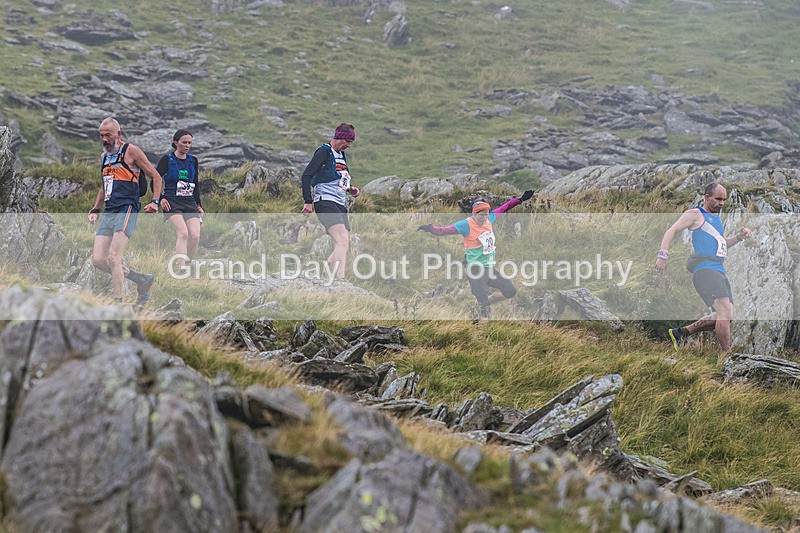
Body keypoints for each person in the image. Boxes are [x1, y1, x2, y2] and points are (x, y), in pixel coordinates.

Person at [655, 182, 752, 354]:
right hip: (705, 270)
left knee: (727, 316)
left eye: (724, 200)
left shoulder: (716, 219)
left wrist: (738, 237)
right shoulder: (695, 214)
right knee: (724, 311)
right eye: (718, 199)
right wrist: (662, 256)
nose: (722, 203)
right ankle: (727, 355)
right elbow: (671, 231)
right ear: (707, 197)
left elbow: (721, 245)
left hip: (719, 270)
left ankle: (682, 332)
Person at [418, 190, 534, 321]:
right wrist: (430, 228)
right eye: (481, 215)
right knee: (485, 310)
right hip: (475, 271)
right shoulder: (466, 225)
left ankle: (486, 302)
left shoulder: (490, 218)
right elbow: (444, 231)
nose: (484, 217)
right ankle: (481, 325)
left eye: (486, 214)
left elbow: (504, 207)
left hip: (489, 269)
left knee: (510, 291)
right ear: (474, 213)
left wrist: (520, 199)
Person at [88, 117, 163, 306]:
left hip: (127, 207)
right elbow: (104, 186)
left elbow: (156, 176)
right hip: (109, 210)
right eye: (101, 136)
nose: (104, 139)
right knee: (98, 260)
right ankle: (142, 280)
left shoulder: (131, 151)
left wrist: (155, 201)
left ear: (118, 134)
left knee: (113, 257)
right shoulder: (105, 157)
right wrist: (96, 208)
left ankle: (118, 304)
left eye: (108, 135)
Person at [301, 123, 360, 280]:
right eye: (346, 141)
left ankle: (328, 270)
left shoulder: (341, 154)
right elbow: (306, 175)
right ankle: (339, 277)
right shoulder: (324, 152)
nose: (348, 145)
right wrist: (308, 201)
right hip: (325, 201)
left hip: (340, 202)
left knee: (344, 242)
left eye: (350, 142)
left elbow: (336, 177)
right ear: (338, 137)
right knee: (341, 241)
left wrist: (350, 189)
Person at [156, 129, 204, 272]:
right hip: (172, 201)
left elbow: (195, 183)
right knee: (183, 233)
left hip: (189, 201)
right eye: (184, 142)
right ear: (176, 142)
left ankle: (188, 263)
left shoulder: (193, 160)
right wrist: (160, 199)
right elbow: (156, 179)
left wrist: (199, 204)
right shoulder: (167, 159)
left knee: (195, 235)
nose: (187, 145)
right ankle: (181, 267)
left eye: (189, 143)